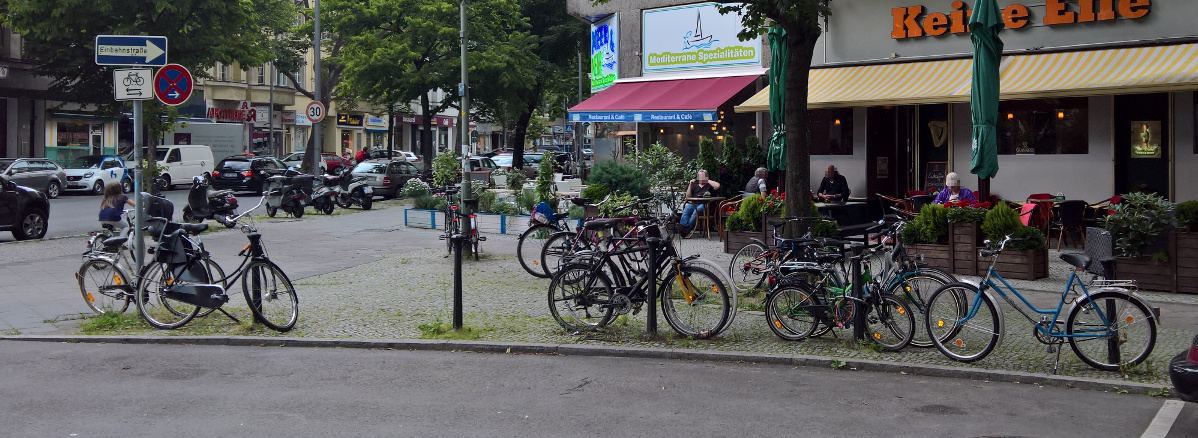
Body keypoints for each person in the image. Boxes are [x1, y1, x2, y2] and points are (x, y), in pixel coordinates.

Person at [680, 170, 721, 237]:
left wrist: (707, 180)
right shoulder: (695, 185)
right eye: (699, 176)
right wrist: (690, 185)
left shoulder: (709, 185)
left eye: (702, 176)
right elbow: (688, 196)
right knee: (686, 211)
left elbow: (717, 186)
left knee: (696, 212)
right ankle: (684, 228)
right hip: (694, 203)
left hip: (705, 204)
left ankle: (686, 230)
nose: (700, 177)